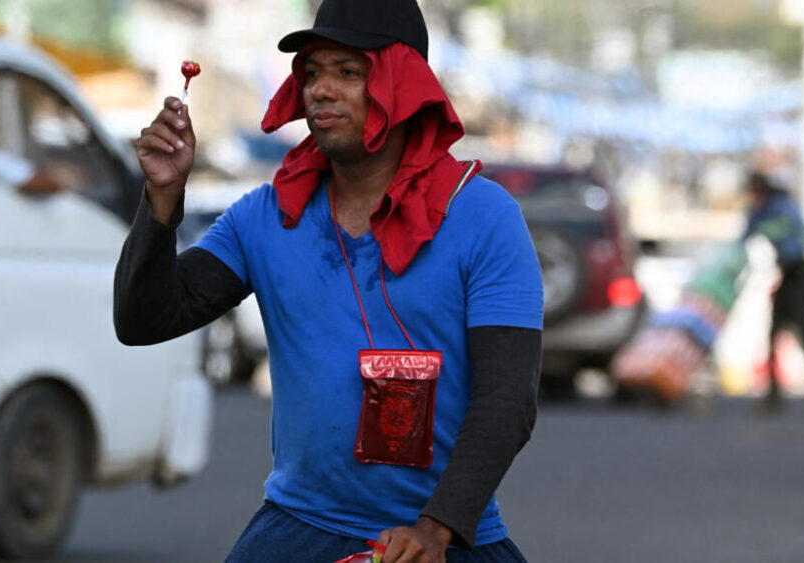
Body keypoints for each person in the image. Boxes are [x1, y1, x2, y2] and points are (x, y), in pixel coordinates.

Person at [114, 0, 543, 561]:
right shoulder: (264, 215)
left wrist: (435, 530)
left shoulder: (485, 216)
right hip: (298, 528)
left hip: (444, 538)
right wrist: (161, 202)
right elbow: (144, 320)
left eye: (348, 72)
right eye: (312, 72)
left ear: (402, 86)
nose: (320, 89)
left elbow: (507, 400)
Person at [741, 171, 804, 411]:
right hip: (785, 276)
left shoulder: (782, 207)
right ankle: (773, 394)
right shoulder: (759, 212)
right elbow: (745, 238)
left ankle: (774, 395)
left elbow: (798, 235)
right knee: (774, 334)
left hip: (798, 276)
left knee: (803, 332)